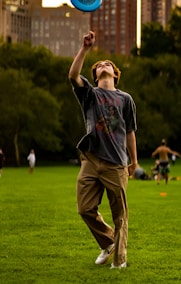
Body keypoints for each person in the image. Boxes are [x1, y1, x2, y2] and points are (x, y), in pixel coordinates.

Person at [68, 30, 138, 269]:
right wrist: (85, 49)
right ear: (96, 76)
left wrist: (134, 162)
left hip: (117, 163)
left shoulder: (126, 99)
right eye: (99, 65)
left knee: (120, 215)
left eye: (108, 63)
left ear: (115, 75)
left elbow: (130, 131)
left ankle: (119, 262)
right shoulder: (90, 95)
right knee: (84, 208)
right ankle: (108, 242)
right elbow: (73, 75)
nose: (104, 65)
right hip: (91, 159)